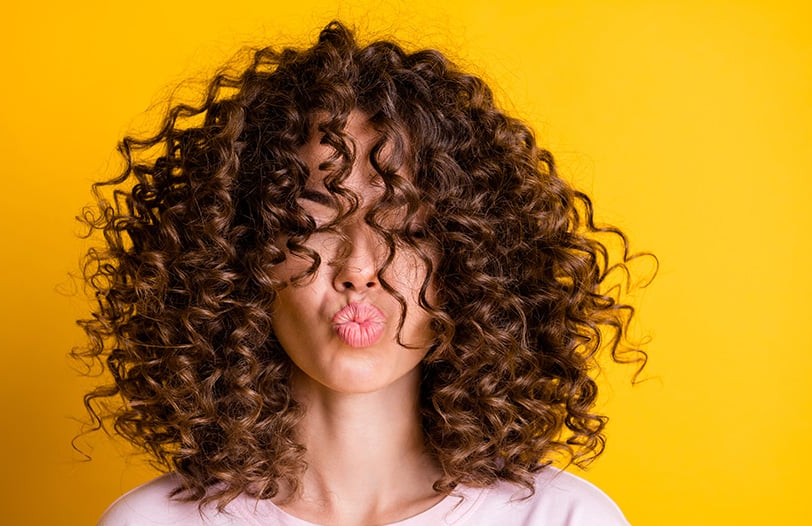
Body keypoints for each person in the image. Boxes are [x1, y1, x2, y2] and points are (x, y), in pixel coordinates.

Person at [77, 20, 652, 526]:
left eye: (405, 229)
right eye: (316, 222)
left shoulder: (565, 520)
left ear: (472, 264)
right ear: (242, 255)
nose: (359, 269)